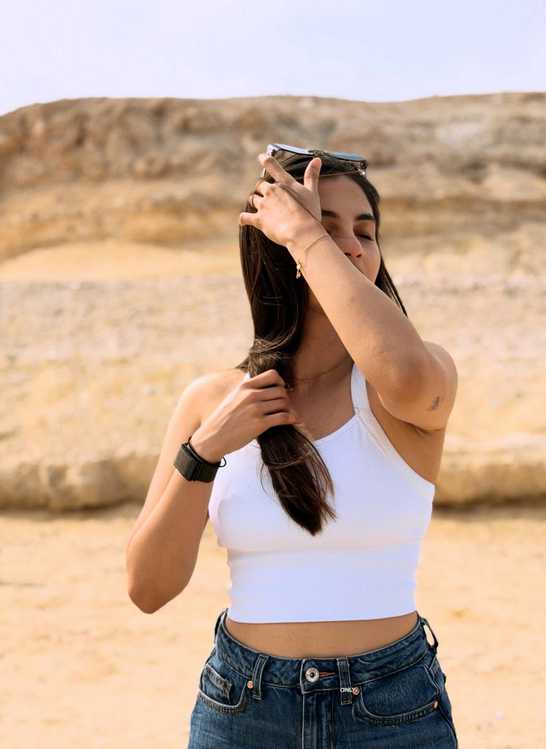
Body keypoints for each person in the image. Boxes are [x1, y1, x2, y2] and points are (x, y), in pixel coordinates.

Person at [126, 144, 460, 747]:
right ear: (271, 244)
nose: (351, 246)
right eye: (325, 226)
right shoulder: (212, 401)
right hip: (243, 707)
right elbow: (148, 588)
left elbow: (404, 370)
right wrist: (203, 452)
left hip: (391, 710)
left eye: (365, 232)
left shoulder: (406, 386)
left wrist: (307, 238)